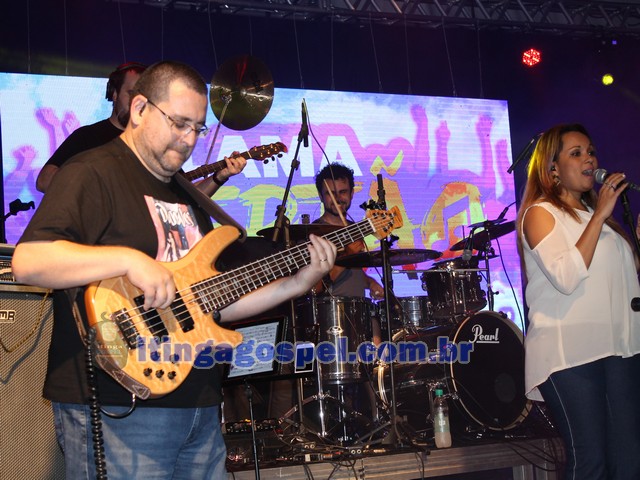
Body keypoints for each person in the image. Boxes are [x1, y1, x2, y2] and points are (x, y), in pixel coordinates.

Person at [12, 60, 337, 479]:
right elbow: (28, 261)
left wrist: (296, 283)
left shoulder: (186, 194)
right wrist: (130, 260)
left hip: (198, 404)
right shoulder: (92, 171)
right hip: (121, 404)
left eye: (197, 128)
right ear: (140, 108)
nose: (188, 140)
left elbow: (210, 304)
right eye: (179, 123)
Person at [515, 123, 640, 479]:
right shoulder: (541, 213)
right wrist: (600, 216)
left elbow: (624, 274)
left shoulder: (598, 218)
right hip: (570, 352)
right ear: (553, 168)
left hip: (620, 347)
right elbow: (567, 277)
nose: (590, 159)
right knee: (590, 460)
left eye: (591, 152)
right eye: (577, 153)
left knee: (629, 461)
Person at [35, 61, 243, 196]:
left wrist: (220, 176)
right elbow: (44, 181)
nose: (137, 101)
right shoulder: (88, 136)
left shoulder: (156, 142)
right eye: (131, 93)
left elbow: (188, 195)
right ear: (114, 94)